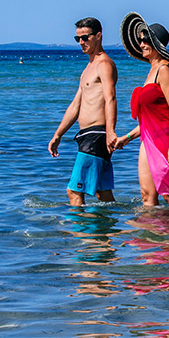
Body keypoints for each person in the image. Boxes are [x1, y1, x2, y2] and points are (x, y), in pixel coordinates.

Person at [113, 13, 169, 208]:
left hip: (166, 140)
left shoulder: (165, 71)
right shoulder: (151, 71)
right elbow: (148, 120)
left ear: (158, 44)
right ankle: (153, 236)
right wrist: (126, 138)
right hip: (148, 140)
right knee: (147, 195)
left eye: (147, 40)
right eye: (141, 40)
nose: (142, 44)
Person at [49, 17, 119, 206]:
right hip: (87, 135)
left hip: (97, 135)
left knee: (74, 192)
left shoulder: (104, 65)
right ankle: (111, 233)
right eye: (77, 38)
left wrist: (111, 131)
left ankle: (81, 235)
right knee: (103, 194)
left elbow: (110, 98)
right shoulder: (88, 68)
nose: (81, 42)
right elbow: (75, 105)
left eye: (85, 37)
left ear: (98, 36)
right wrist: (58, 135)